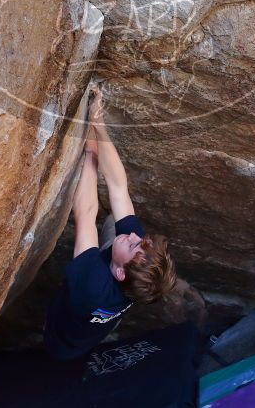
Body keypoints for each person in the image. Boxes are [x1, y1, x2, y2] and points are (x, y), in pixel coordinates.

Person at [43, 84, 178, 360]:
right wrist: (98, 124)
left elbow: (86, 212)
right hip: (108, 299)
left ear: (119, 273)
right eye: (140, 241)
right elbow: (118, 187)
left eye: (132, 245)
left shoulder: (93, 284)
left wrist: (90, 152)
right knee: (114, 221)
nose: (133, 236)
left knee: (98, 227)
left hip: (63, 339)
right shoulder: (136, 257)